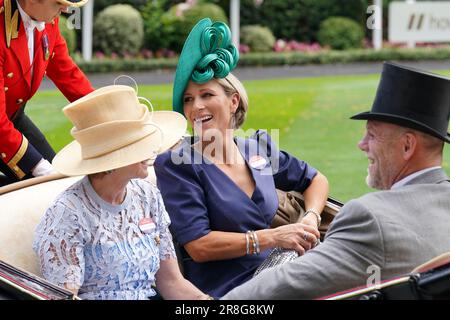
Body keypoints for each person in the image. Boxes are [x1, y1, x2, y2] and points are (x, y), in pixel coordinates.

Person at [222, 62, 450, 300]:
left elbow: (283, 284)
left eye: (371, 135)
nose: (361, 145)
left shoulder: (372, 218)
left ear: (407, 145)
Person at [154, 18, 329, 298]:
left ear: (233, 101)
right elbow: (199, 246)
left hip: (280, 273)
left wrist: (310, 217)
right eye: (188, 99)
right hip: (228, 290)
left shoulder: (257, 147)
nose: (196, 106)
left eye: (206, 95)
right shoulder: (177, 165)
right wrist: (274, 236)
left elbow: (315, 179)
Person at [33, 85, 211, 300]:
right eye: (140, 145)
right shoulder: (68, 214)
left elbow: (171, 281)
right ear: (114, 160)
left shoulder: (147, 195)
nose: (152, 150)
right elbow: (64, 297)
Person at [0, 0, 94, 186]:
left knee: (57, 182)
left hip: (12, 117)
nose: (66, 9)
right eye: (59, 2)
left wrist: (114, 119)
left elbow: (68, 75)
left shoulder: (47, 17)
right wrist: (38, 166)